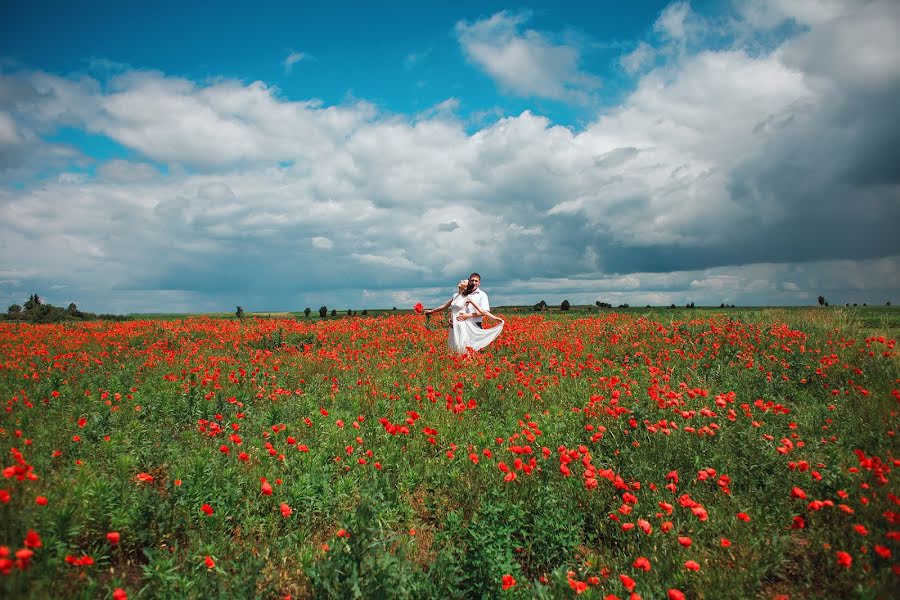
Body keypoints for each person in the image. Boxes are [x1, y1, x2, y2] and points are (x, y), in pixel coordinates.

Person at [424, 278, 504, 353]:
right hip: (453, 324)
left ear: (466, 287)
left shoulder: (468, 298)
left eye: (463, 281)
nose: (461, 281)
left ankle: (466, 361)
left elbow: (482, 310)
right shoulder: (455, 296)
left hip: (461, 323)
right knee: (454, 343)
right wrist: (431, 311)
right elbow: (445, 305)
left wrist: (495, 318)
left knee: (462, 344)